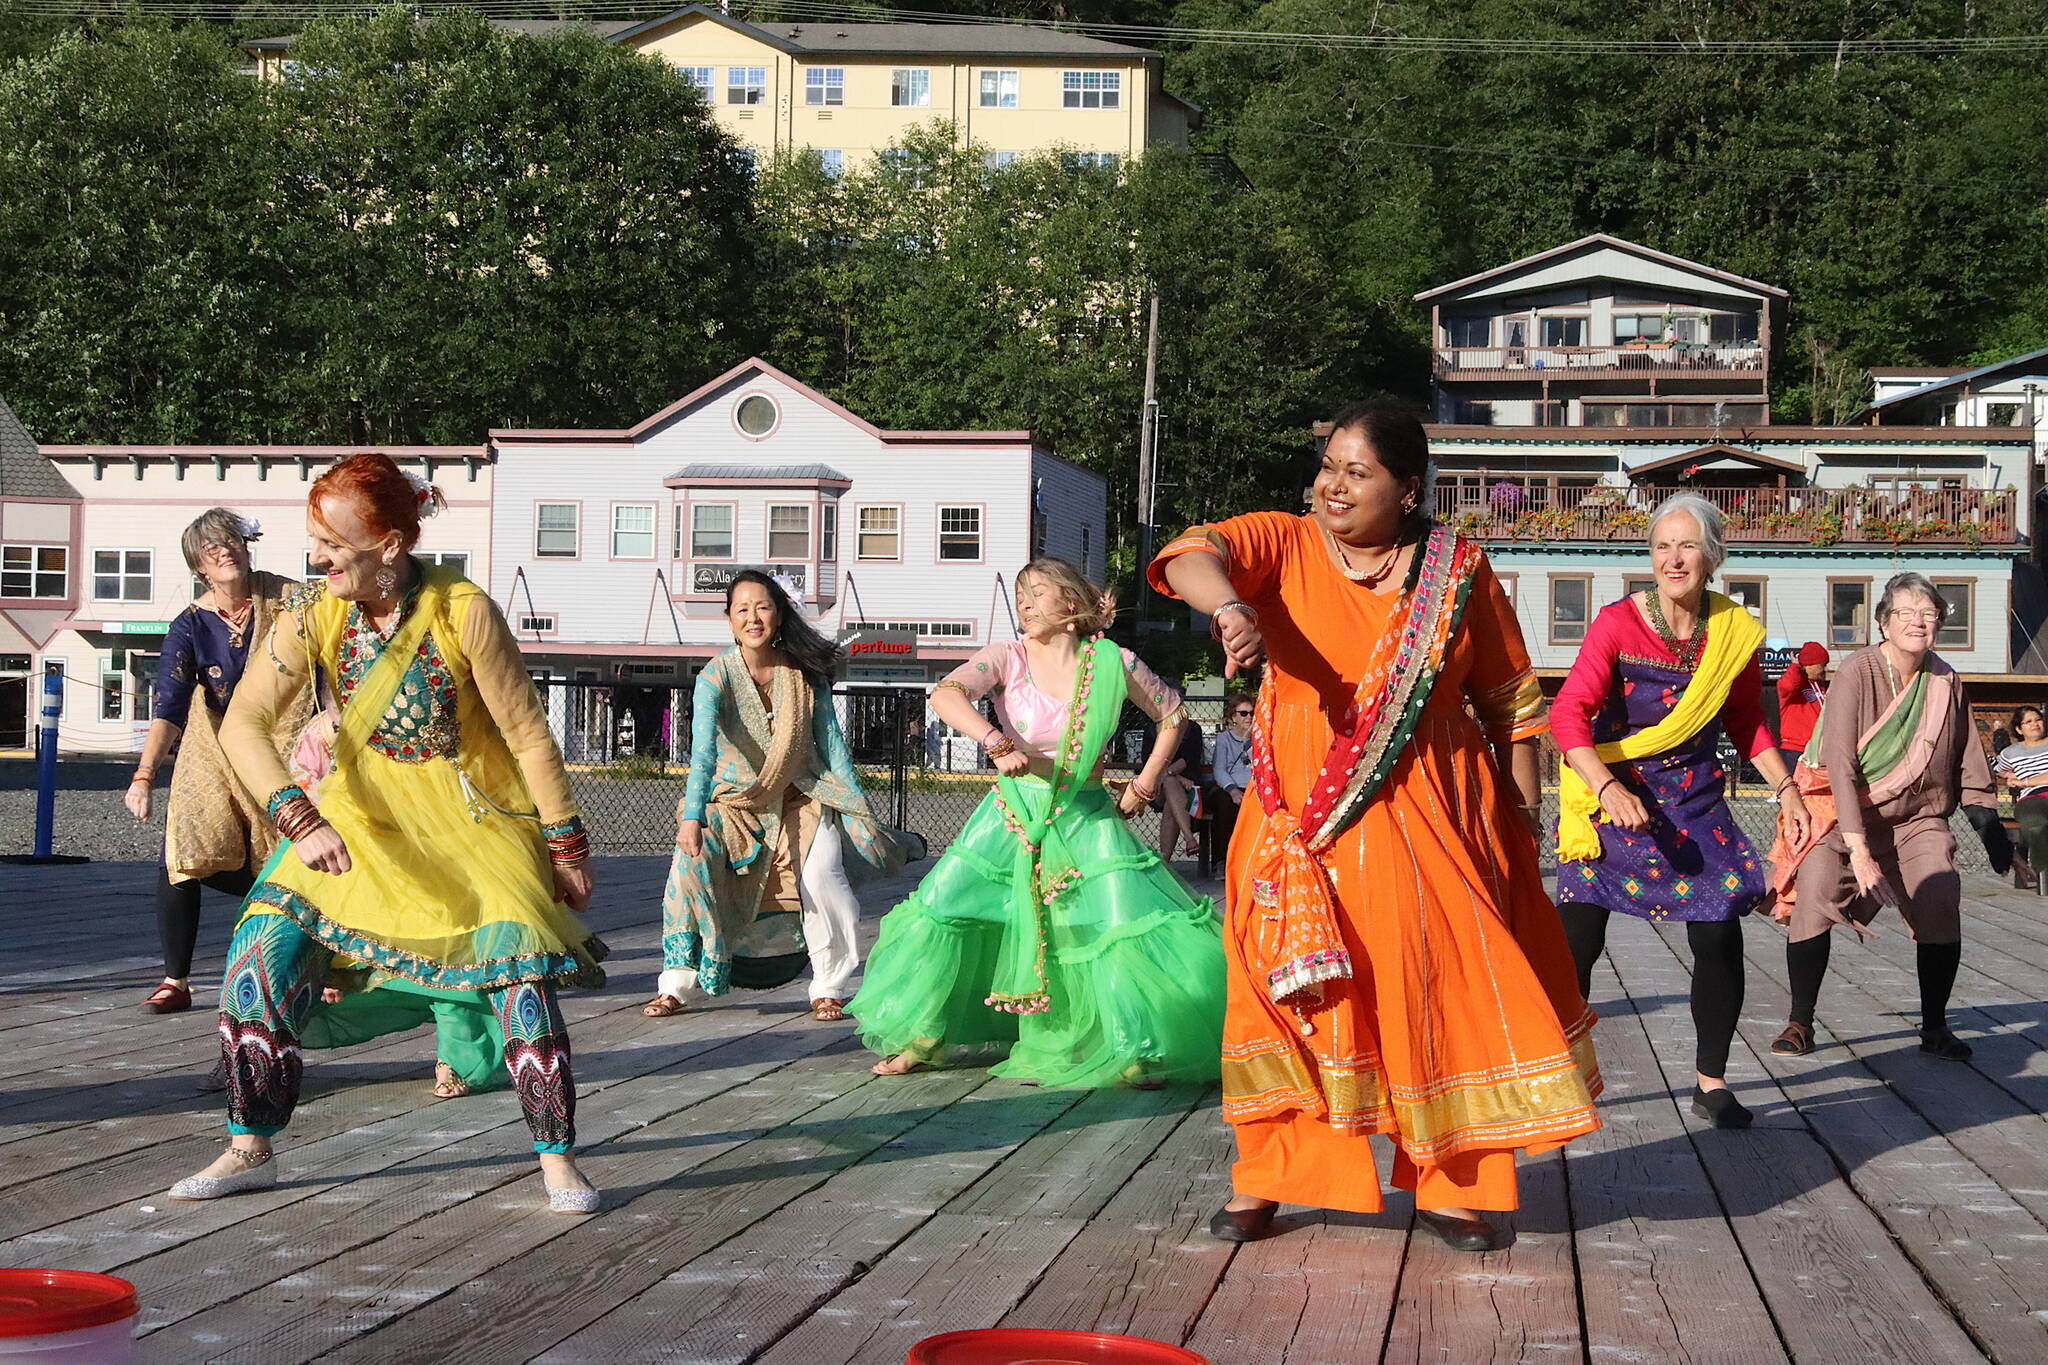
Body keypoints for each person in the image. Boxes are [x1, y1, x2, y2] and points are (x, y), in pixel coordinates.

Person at [1152, 403, 1599, 1253]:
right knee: (1286, 996)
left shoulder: (1457, 571)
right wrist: (1231, 613)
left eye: (1358, 472)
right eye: (1329, 464)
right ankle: (1274, 1176)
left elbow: (1509, 703)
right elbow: (1192, 553)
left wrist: (1524, 820)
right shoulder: (1283, 542)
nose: (1333, 483)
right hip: (1299, 821)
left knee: (1435, 990)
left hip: (1429, 812)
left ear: (1409, 489)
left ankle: (1453, 1184)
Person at [170, 453, 605, 1213]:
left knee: (516, 969)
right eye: (314, 542)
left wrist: (566, 846)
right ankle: (250, 1143)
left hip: (465, 819)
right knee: (260, 945)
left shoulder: (463, 609)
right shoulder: (317, 611)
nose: (314, 559)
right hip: (354, 815)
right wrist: (296, 817)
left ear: (391, 544)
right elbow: (243, 724)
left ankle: (557, 1157)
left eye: (332, 545)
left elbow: (530, 736)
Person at [850, 557, 1224, 1089]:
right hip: (1012, 813)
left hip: (1086, 813)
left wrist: (1144, 784)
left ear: (1071, 604)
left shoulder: (1113, 661)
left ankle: (1131, 1041)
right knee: (948, 908)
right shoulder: (1008, 656)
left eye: (1038, 592)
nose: (1025, 602)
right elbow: (946, 694)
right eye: (1020, 594)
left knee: (1112, 925)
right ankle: (926, 1033)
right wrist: (993, 741)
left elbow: (1172, 715)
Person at [1551, 494, 1810, 1131]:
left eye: (1687, 545)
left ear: (1712, 556)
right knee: (1577, 938)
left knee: (1721, 931)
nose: (1674, 558)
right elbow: (1566, 714)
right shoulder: (1616, 622)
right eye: (1663, 545)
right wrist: (1608, 788)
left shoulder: (1734, 633)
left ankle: (1710, 1082)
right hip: (1612, 793)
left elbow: (1747, 722)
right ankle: (1556, 1078)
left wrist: (1788, 790)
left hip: (1694, 800)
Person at [646, 570, 896, 1024]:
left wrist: (859, 809)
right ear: (728, 619)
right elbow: (701, 753)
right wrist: (691, 816)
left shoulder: (804, 675)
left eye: (762, 607)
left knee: (822, 876)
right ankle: (677, 985)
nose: (752, 617)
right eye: (742, 609)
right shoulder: (714, 677)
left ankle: (829, 987)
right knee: (689, 867)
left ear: (779, 615)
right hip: (733, 804)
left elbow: (833, 747)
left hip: (803, 795)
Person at [1769, 572, 1997, 1062]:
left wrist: (1986, 818)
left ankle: (1935, 1027)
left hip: (1917, 818)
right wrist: (1858, 849)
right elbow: (1841, 766)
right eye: (1906, 613)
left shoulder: (1945, 680)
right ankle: (1800, 1021)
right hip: (1843, 813)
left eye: (1929, 613)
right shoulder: (1856, 670)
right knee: (1818, 889)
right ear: (1884, 623)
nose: (1918, 622)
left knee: (1940, 891)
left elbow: (1966, 754)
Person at [125, 509, 311, 1015]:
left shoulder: (296, 601)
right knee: (182, 847)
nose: (224, 552)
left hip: (291, 744)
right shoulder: (189, 625)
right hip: (218, 747)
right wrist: (144, 776)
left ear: (247, 547)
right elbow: (168, 704)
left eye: (230, 541)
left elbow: (332, 661)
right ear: (199, 566)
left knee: (300, 852)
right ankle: (176, 980)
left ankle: (325, 964)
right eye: (211, 549)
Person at [1994, 705, 2048, 888]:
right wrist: (2008, 776)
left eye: (2038, 719)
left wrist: (2024, 781)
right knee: (2036, 820)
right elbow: (1999, 769)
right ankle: (2041, 871)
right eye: (2028, 722)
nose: (2035, 724)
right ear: (2019, 729)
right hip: (2033, 798)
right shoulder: (2011, 753)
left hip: (2033, 789)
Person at [1153, 713, 1206, 861]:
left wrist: (1171, 775)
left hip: (1189, 788)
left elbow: (1190, 759)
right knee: (1170, 783)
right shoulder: (1152, 728)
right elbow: (1149, 761)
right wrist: (1177, 777)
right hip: (1157, 785)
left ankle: (1165, 861)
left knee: (1171, 804)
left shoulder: (1192, 729)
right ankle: (1189, 837)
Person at [1206, 694, 1254, 856]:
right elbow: (1219, 769)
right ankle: (1222, 859)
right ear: (1234, 716)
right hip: (1229, 787)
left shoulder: (1261, 738)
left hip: (1252, 787)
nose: (1249, 717)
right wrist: (1232, 790)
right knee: (1225, 804)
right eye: (1244, 713)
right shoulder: (1224, 739)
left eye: (1252, 713)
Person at [1776, 641, 1830, 773]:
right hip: (1795, 748)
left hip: (1815, 747)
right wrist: (1795, 667)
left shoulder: (1819, 685)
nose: (1824, 669)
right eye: (1822, 665)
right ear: (1810, 665)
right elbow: (1788, 685)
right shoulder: (1793, 685)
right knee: (1797, 789)